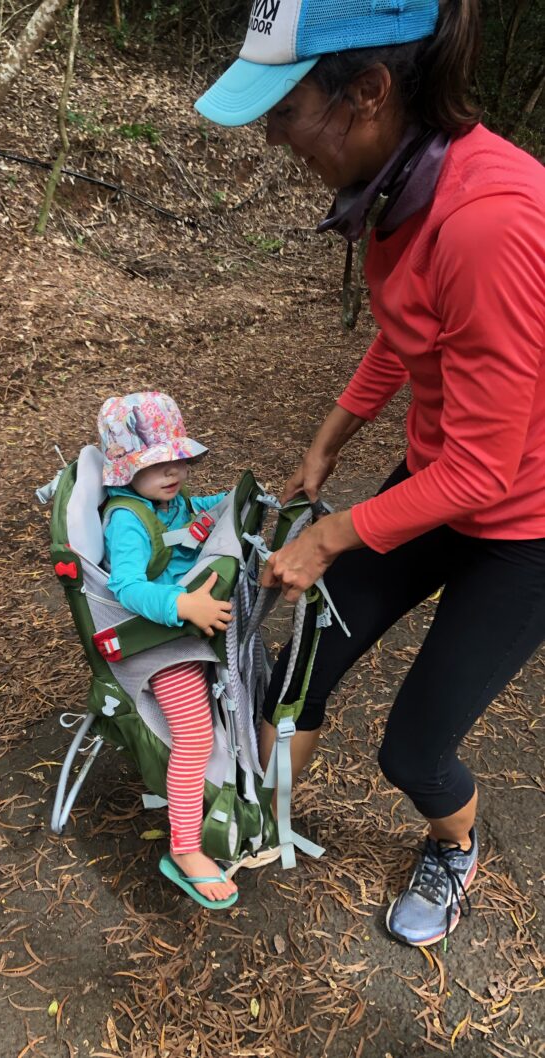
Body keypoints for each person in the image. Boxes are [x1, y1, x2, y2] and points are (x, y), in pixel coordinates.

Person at [196, 0, 545, 946]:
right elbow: (407, 333)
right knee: (302, 663)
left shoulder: (491, 222)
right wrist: (330, 439)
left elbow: (487, 468)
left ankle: (455, 850)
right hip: (439, 480)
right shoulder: (400, 189)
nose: (276, 138)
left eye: (283, 111)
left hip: (523, 529)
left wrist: (334, 532)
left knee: (415, 748)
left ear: (369, 92)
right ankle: (249, 819)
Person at [98, 391, 238, 909]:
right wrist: (183, 605)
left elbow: (194, 511)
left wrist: (234, 502)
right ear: (124, 471)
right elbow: (127, 587)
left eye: (176, 458)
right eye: (156, 464)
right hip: (156, 640)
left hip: (183, 627)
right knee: (197, 736)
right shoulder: (129, 520)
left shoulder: (166, 500)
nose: (172, 471)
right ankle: (184, 847)